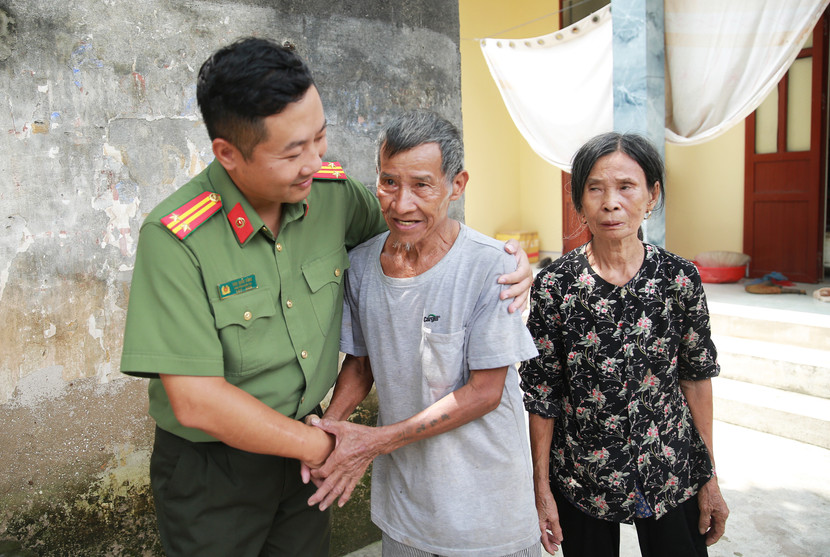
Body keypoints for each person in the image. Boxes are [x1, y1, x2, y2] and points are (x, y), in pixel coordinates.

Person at [119, 38, 532, 557]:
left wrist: (508, 261)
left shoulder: (331, 195)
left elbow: (417, 227)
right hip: (216, 472)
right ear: (228, 153)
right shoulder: (177, 238)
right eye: (293, 151)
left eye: (320, 138)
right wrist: (336, 446)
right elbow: (197, 401)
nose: (315, 161)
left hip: (307, 457)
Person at [302, 110, 542, 557]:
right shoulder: (361, 266)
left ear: (457, 185)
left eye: (422, 185)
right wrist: (333, 429)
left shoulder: (492, 266)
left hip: (487, 518)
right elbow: (361, 363)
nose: (401, 203)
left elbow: (485, 392)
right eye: (389, 182)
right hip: (406, 515)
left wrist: (373, 442)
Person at [519, 132, 729, 557]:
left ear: (652, 195)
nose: (610, 202)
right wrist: (541, 488)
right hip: (584, 476)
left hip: (671, 466)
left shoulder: (678, 278)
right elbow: (544, 396)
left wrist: (709, 477)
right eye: (595, 188)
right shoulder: (556, 286)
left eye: (626, 187)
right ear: (579, 202)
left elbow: (695, 379)